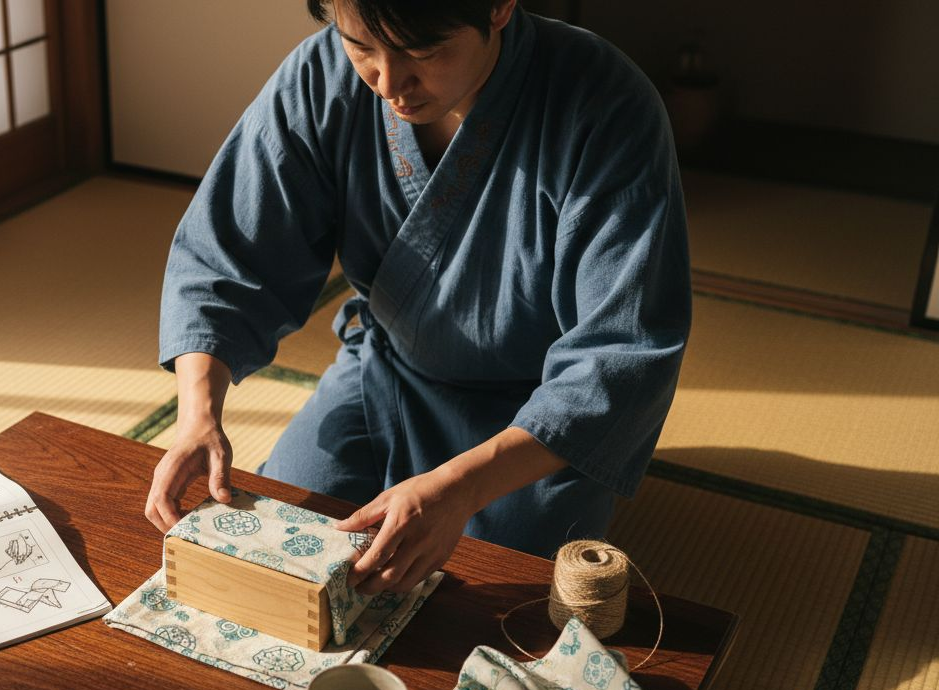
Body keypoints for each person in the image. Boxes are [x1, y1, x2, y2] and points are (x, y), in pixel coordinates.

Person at [144, 0, 690, 596]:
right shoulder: (320, 75)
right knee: (288, 539)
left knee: (497, 590)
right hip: (391, 372)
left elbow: (624, 347)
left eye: (424, 53)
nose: (389, 83)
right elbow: (231, 250)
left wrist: (461, 487)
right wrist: (198, 413)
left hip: (540, 416)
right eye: (360, 47)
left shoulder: (605, 103)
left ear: (500, 6)